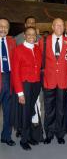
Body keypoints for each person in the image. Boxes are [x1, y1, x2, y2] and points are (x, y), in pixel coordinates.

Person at [39, 18, 67, 145]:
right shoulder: (44, 42)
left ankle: (60, 134)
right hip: (49, 80)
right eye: (57, 25)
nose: (59, 27)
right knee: (49, 109)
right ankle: (49, 133)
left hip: (63, 81)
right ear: (52, 27)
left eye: (61, 25)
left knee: (61, 109)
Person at [12, 27, 42, 150]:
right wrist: (20, 93)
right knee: (25, 113)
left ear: (36, 36)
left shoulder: (37, 49)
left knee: (29, 111)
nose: (31, 36)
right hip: (25, 85)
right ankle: (24, 140)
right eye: (28, 34)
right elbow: (15, 73)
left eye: (33, 34)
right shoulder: (18, 50)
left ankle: (29, 136)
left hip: (35, 85)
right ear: (24, 35)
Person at [0, 18, 16, 147]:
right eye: (1, 26)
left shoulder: (12, 41)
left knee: (8, 111)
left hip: (9, 79)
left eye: (6, 27)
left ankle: (6, 136)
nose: (3, 29)